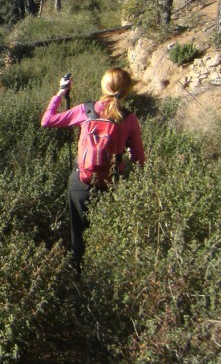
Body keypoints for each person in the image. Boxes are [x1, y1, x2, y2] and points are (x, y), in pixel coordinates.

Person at [41, 67, 145, 272]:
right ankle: (104, 276)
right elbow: (140, 160)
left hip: (81, 180)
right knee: (109, 232)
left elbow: (47, 121)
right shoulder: (129, 118)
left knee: (78, 233)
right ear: (127, 91)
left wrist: (61, 92)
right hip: (112, 182)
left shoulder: (85, 110)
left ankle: (78, 277)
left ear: (103, 86)